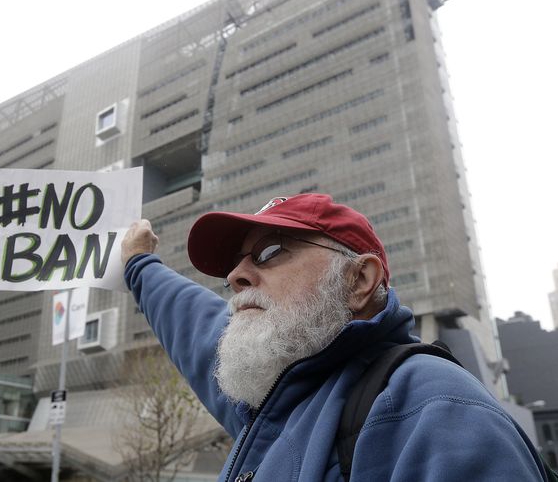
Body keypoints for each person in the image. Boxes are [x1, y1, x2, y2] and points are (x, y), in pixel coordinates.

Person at [121, 193, 547, 481]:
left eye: (269, 251)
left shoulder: (432, 406)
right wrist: (139, 265)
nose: (235, 275)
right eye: (236, 263)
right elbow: (195, 326)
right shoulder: (275, 400)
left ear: (359, 279)